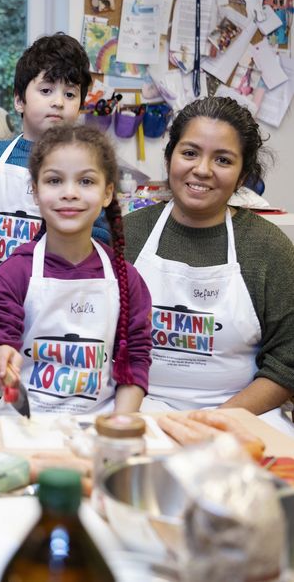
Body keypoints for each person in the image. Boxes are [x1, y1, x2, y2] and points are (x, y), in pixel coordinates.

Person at [123, 96, 294, 435]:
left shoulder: (268, 248)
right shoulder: (127, 235)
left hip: (244, 415)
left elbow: (286, 363)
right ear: (170, 157)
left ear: (243, 173)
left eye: (223, 159)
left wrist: (219, 420)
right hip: (139, 409)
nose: (202, 169)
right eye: (189, 153)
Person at [0, 123, 152, 416]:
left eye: (86, 181)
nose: (69, 193)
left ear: (108, 193)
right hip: (24, 427)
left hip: (99, 429)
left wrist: (119, 426)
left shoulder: (127, 280)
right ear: (35, 191)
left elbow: (134, 363)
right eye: (54, 180)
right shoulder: (13, 274)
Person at [0, 32, 111, 264]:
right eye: (46, 90)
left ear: (79, 107)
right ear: (19, 100)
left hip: (54, 288)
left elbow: (101, 236)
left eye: (69, 94)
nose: (58, 102)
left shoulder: (87, 165)